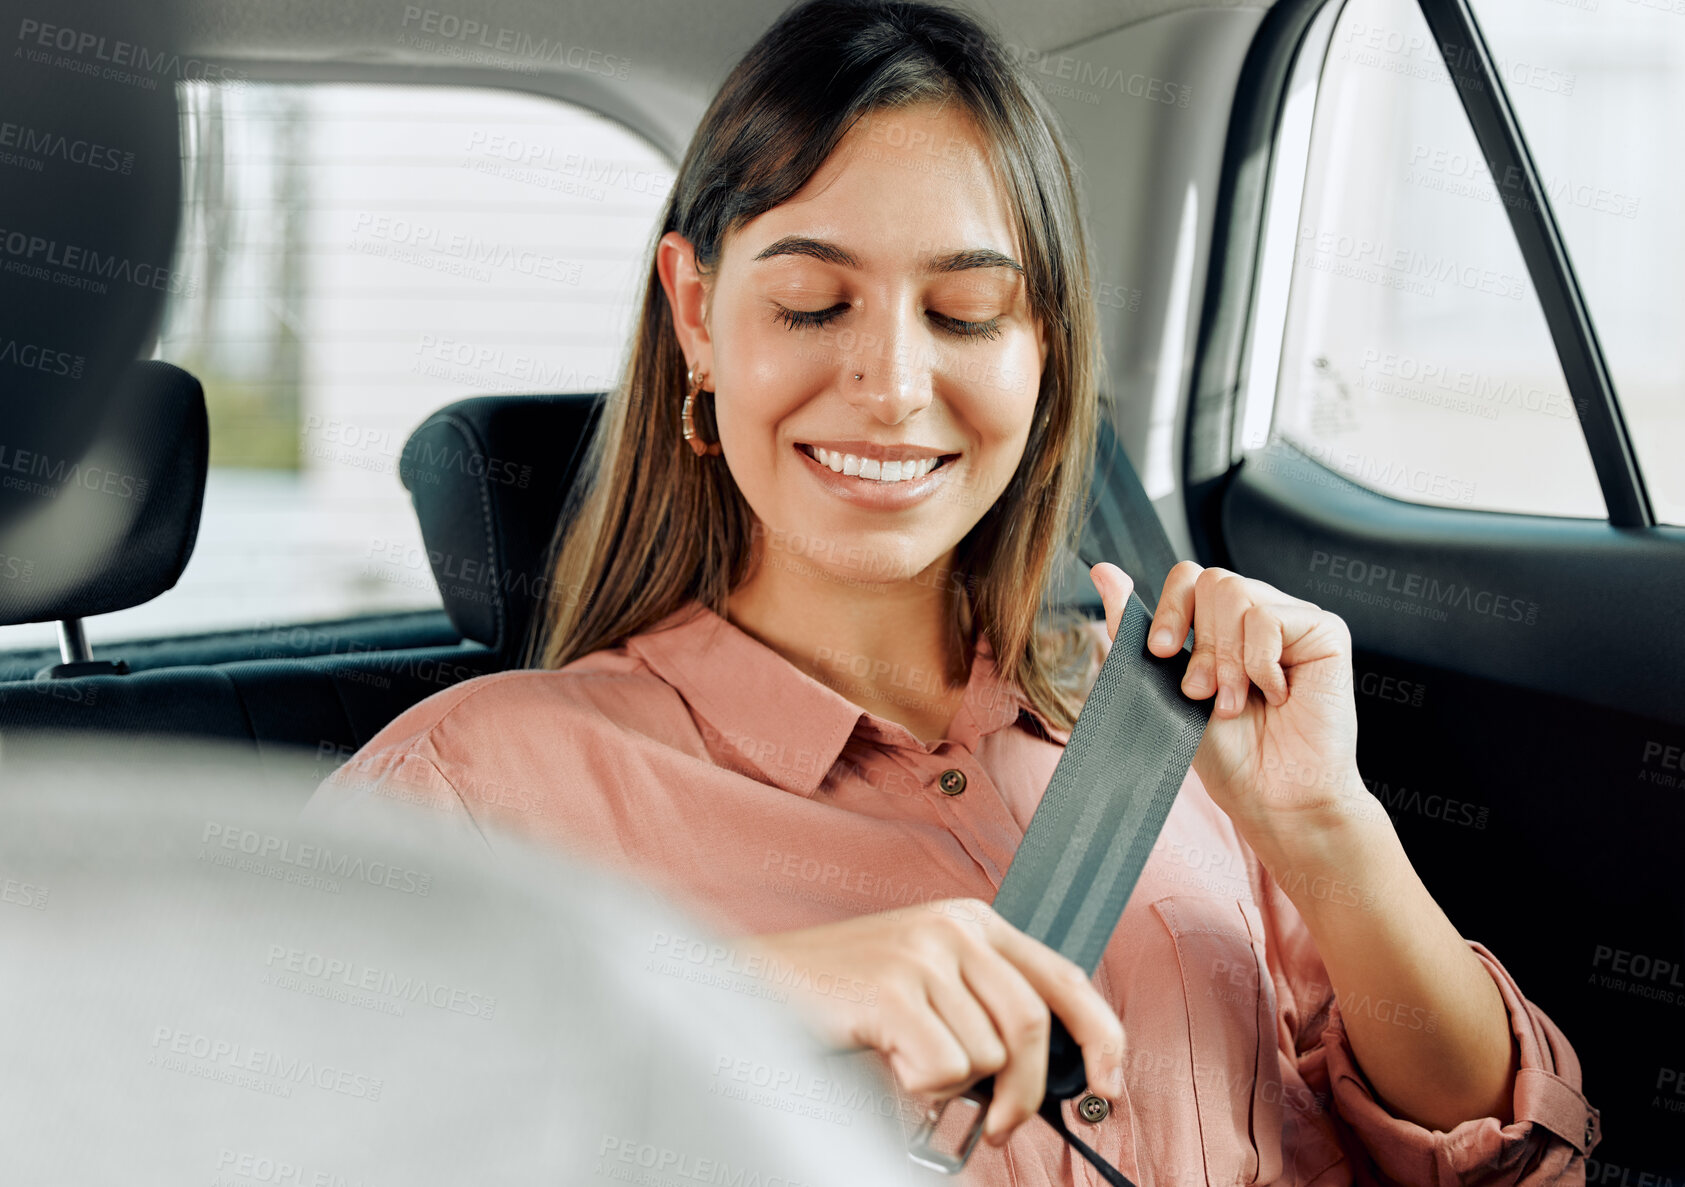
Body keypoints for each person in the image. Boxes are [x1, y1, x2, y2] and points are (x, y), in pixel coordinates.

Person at [310, 0, 1599, 1181]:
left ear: (1045, 348)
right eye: (814, 304)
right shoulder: (466, 795)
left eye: (969, 312)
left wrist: (1326, 832)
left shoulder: (1175, 725)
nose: (891, 382)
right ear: (697, 316)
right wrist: (746, 1000)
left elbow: (1517, 1166)